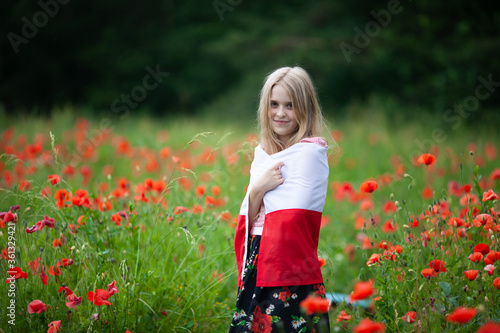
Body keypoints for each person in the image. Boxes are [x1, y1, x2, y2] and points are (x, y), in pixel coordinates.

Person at [230, 66, 331, 333]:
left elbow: (296, 217)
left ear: (305, 108)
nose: (280, 113)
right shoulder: (263, 155)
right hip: (259, 257)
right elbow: (250, 216)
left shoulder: (311, 155)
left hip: (290, 265)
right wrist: (257, 190)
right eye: (274, 104)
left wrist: (264, 194)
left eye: (290, 105)